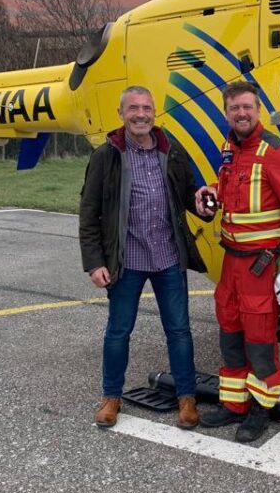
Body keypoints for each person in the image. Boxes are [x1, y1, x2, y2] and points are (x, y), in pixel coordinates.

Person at [79, 85, 208, 431]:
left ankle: (186, 398)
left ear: (154, 113)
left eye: (147, 108)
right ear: (121, 114)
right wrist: (95, 262)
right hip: (127, 260)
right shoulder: (107, 155)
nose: (141, 114)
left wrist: (201, 201)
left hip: (167, 256)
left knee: (179, 330)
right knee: (118, 331)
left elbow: (189, 193)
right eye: (133, 108)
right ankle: (111, 397)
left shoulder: (170, 149)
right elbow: (89, 212)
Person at [195, 81, 280, 443]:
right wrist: (211, 193)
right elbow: (229, 187)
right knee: (229, 329)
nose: (241, 114)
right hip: (232, 261)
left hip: (261, 264)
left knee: (260, 337)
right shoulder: (228, 148)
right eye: (235, 109)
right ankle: (234, 405)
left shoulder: (275, 151)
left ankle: (262, 409)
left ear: (258, 110)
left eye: (247, 107)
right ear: (226, 112)